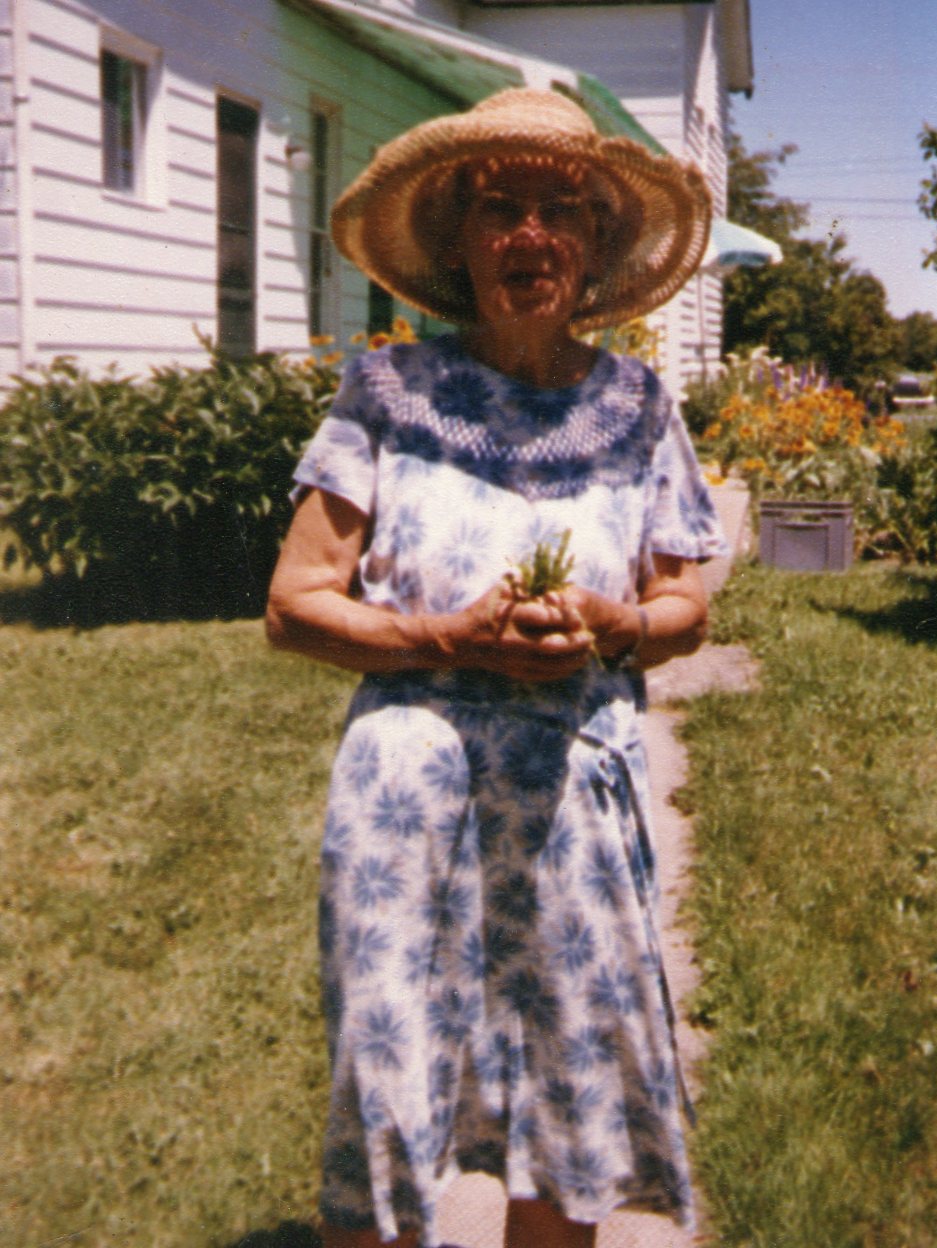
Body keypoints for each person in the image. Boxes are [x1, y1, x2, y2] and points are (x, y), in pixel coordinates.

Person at [266, 87, 727, 1248]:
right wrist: (443, 639)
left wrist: (615, 624)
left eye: (559, 211)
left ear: (597, 245)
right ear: (457, 243)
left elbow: (685, 608)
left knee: (567, 1090)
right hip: (407, 803)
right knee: (389, 1080)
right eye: (499, 210)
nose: (531, 235)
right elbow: (295, 604)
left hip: (571, 796)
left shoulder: (639, 405)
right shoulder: (386, 392)